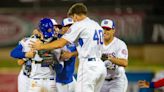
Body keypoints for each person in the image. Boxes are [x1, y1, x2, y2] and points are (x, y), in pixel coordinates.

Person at [30, 3, 107, 92]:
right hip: (100, 66)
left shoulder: (79, 25)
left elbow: (60, 43)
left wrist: (41, 46)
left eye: (73, 19)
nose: (73, 21)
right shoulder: (96, 25)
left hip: (88, 67)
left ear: (75, 16)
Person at [11, 18, 58, 92]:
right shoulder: (31, 41)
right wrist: (26, 54)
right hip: (32, 77)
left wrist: (52, 56)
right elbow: (14, 53)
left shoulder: (57, 42)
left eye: (56, 27)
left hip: (49, 79)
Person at [100, 19, 128, 92]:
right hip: (102, 81)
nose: (105, 31)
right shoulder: (97, 43)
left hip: (117, 81)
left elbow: (124, 63)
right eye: (103, 28)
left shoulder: (120, 44)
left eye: (108, 29)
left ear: (113, 30)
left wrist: (109, 58)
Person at [55, 17, 77, 92]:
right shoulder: (57, 39)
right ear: (63, 28)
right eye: (67, 26)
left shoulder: (76, 39)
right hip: (59, 81)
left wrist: (72, 54)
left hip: (71, 79)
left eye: (71, 26)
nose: (70, 28)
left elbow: (83, 51)